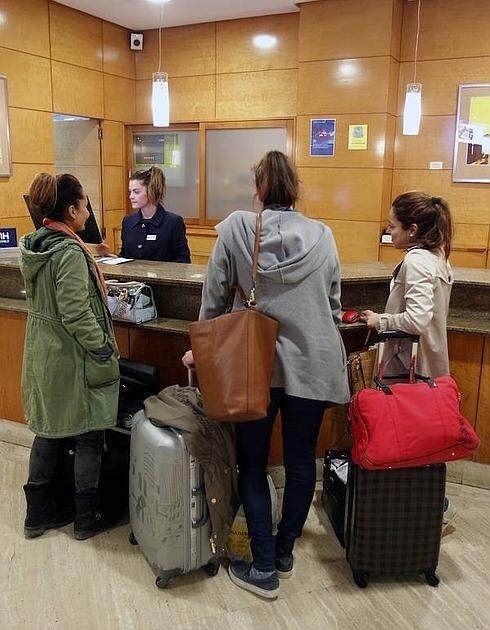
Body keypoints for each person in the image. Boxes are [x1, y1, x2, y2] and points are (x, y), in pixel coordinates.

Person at [182, 151, 350, 599]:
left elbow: (213, 298)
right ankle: (283, 552)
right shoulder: (324, 236)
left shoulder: (237, 228)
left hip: (251, 364)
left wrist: (200, 352)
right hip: (312, 363)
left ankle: (262, 567)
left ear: (258, 189)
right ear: (295, 189)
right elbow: (333, 305)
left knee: (252, 463)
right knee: (299, 464)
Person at [20, 173, 120, 541]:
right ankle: (85, 516)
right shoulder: (68, 253)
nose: (89, 211)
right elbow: (77, 312)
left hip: (44, 353)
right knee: (90, 435)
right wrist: (103, 347)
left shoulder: (37, 244)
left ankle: (37, 514)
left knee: (47, 432)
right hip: (72, 356)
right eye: (86, 204)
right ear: (72, 209)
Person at [360, 190, 456, 528]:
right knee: (423, 439)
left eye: (393, 227)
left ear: (412, 229)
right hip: (430, 365)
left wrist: (380, 321)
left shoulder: (416, 261)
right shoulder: (438, 258)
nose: (390, 233)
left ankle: (425, 509)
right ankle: (430, 504)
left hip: (409, 369)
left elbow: (416, 319)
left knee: (405, 439)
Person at [120, 165, 191, 262]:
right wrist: (107, 255)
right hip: (132, 276)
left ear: (151, 191)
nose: (131, 196)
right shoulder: (128, 222)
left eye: (136, 192)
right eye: (130, 192)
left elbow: (183, 260)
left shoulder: (173, 222)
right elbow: (124, 257)